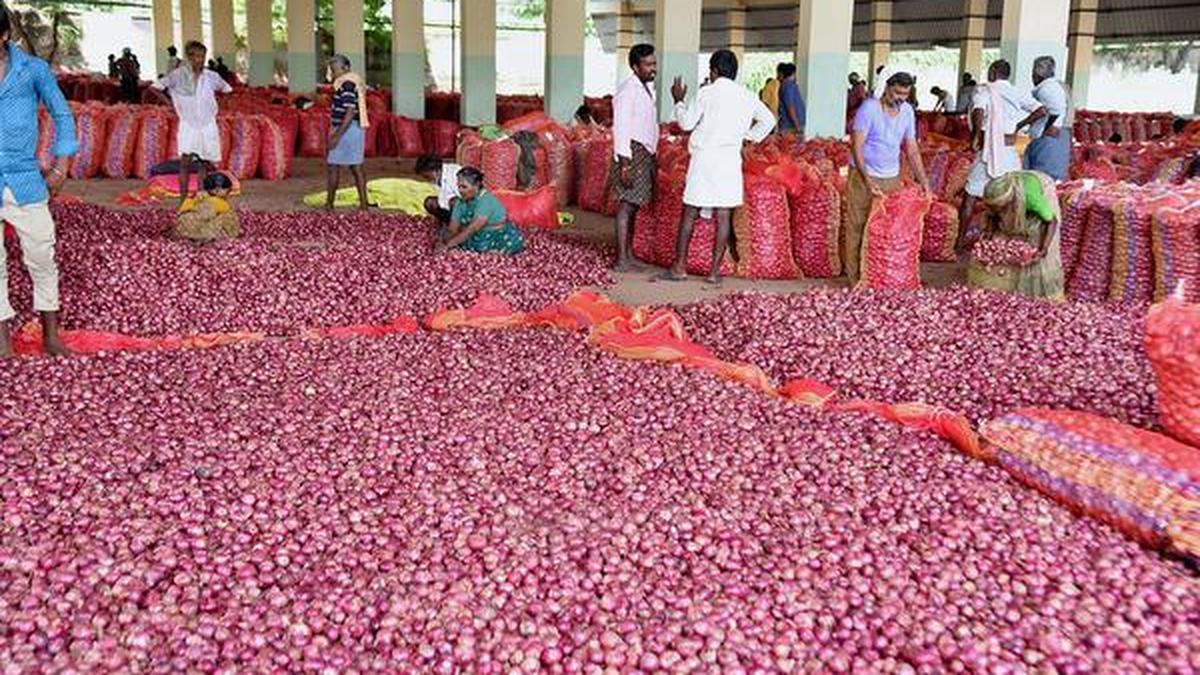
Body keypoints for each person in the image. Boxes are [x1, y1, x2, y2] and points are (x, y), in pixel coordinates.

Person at [0, 7, 78, 358]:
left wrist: (61, 166)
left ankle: (51, 336)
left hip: (25, 180)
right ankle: (3, 339)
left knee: (41, 256)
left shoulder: (32, 70)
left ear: (3, 36)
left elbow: (61, 113)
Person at [660, 50, 776, 284]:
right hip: (729, 160)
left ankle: (679, 267)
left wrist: (678, 100)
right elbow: (769, 120)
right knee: (723, 215)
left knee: (690, 211)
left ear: (713, 70)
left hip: (704, 159)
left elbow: (686, 123)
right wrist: (749, 137)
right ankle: (714, 272)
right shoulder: (747, 95)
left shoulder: (706, 93)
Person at [846, 71, 931, 284]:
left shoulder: (907, 112)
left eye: (905, 94)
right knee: (858, 226)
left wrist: (925, 183)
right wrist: (867, 180)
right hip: (863, 176)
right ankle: (855, 279)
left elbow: (911, 149)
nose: (900, 98)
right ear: (887, 88)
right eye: (897, 92)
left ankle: (879, 278)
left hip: (891, 178)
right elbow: (857, 146)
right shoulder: (869, 109)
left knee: (887, 229)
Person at [960, 59, 1046, 250]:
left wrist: (974, 136)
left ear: (992, 72)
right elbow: (1041, 110)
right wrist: (1020, 125)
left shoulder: (984, 90)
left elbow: (979, 111)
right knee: (1010, 197)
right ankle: (1006, 244)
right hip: (1008, 152)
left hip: (988, 149)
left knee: (970, 197)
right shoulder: (1016, 92)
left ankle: (958, 243)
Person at [151, 41, 232, 209]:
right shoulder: (178, 75)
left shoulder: (211, 76)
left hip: (207, 123)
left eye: (202, 56)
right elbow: (155, 88)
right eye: (195, 56)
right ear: (189, 57)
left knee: (203, 163)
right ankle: (182, 201)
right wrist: (171, 105)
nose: (200, 60)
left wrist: (215, 106)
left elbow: (227, 90)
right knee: (185, 162)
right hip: (188, 123)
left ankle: (201, 198)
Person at [978, 171, 1064, 300]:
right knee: (1006, 235)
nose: (996, 210)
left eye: (1000, 207)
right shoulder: (996, 194)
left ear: (1009, 200)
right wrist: (989, 232)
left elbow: (1051, 221)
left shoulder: (1031, 198)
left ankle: (1039, 294)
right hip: (1021, 181)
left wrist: (1044, 247)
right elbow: (992, 213)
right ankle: (1009, 287)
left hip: (1041, 185)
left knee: (1036, 236)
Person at [611, 43, 658, 271]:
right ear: (635, 66)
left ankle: (628, 255)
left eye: (653, 63)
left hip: (643, 151)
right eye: (648, 64)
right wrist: (625, 164)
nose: (653, 68)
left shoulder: (646, 88)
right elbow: (620, 127)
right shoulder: (627, 91)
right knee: (626, 205)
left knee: (635, 206)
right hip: (631, 152)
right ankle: (621, 259)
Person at [435, 167, 526, 255]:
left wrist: (448, 245)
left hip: (497, 236)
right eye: (458, 186)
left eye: (464, 187)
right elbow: (452, 229)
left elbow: (472, 229)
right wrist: (443, 242)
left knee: (487, 249)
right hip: (476, 236)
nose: (460, 190)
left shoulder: (485, 200)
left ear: (476, 186)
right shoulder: (460, 202)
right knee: (459, 245)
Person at [324, 54, 371, 211]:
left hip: (348, 129)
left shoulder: (348, 84)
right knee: (354, 166)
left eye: (335, 69)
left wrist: (337, 136)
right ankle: (363, 204)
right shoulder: (344, 83)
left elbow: (350, 112)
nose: (333, 73)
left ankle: (330, 205)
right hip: (349, 128)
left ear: (346, 68)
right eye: (332, 69)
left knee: (337, 166)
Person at [1024, 56, 1072, 181]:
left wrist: (1050, 127)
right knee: (1042, 178)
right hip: (1054, 137)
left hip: (1050, 139)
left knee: (1043, 179)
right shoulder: (1057, 86)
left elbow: (1056, 112)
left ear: (1036, 74)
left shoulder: (1048, 89)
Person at [171, 172, 240, 244]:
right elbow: (205, 216)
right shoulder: (218, 202)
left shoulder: (196, 196)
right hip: (200, 230)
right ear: (217, 190)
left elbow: (182, 210)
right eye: (227, 191)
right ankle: (202, 237)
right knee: (228, 216)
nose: (228, 194)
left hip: (182, 228)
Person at [416, 155, 462, 229]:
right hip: (449, 207)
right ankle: (446, 223)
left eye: (426, 176)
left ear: (435, 170)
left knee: (454, 202)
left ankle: (459, 227)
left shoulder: (455, 172)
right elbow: (442, 198)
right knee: (429, 202)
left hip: (466, 208)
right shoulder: (436, 178)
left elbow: (464, 198)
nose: (426, 179)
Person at [777, 62, 805, 135]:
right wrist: (797, 125)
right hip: (790, 127)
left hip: (792, 126)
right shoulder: (788, 86)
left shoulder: (790, 85)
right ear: (793, 73)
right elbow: (790, 107)